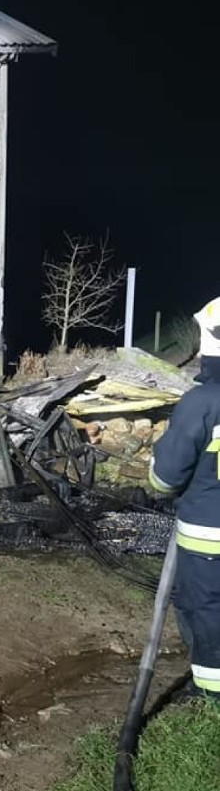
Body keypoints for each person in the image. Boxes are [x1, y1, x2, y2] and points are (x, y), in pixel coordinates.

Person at [149, 296, 220, 701]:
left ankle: (212, 696)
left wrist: (155, 472)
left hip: (208, 538)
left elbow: (165, 478)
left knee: (206, 612)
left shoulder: (202, 404)